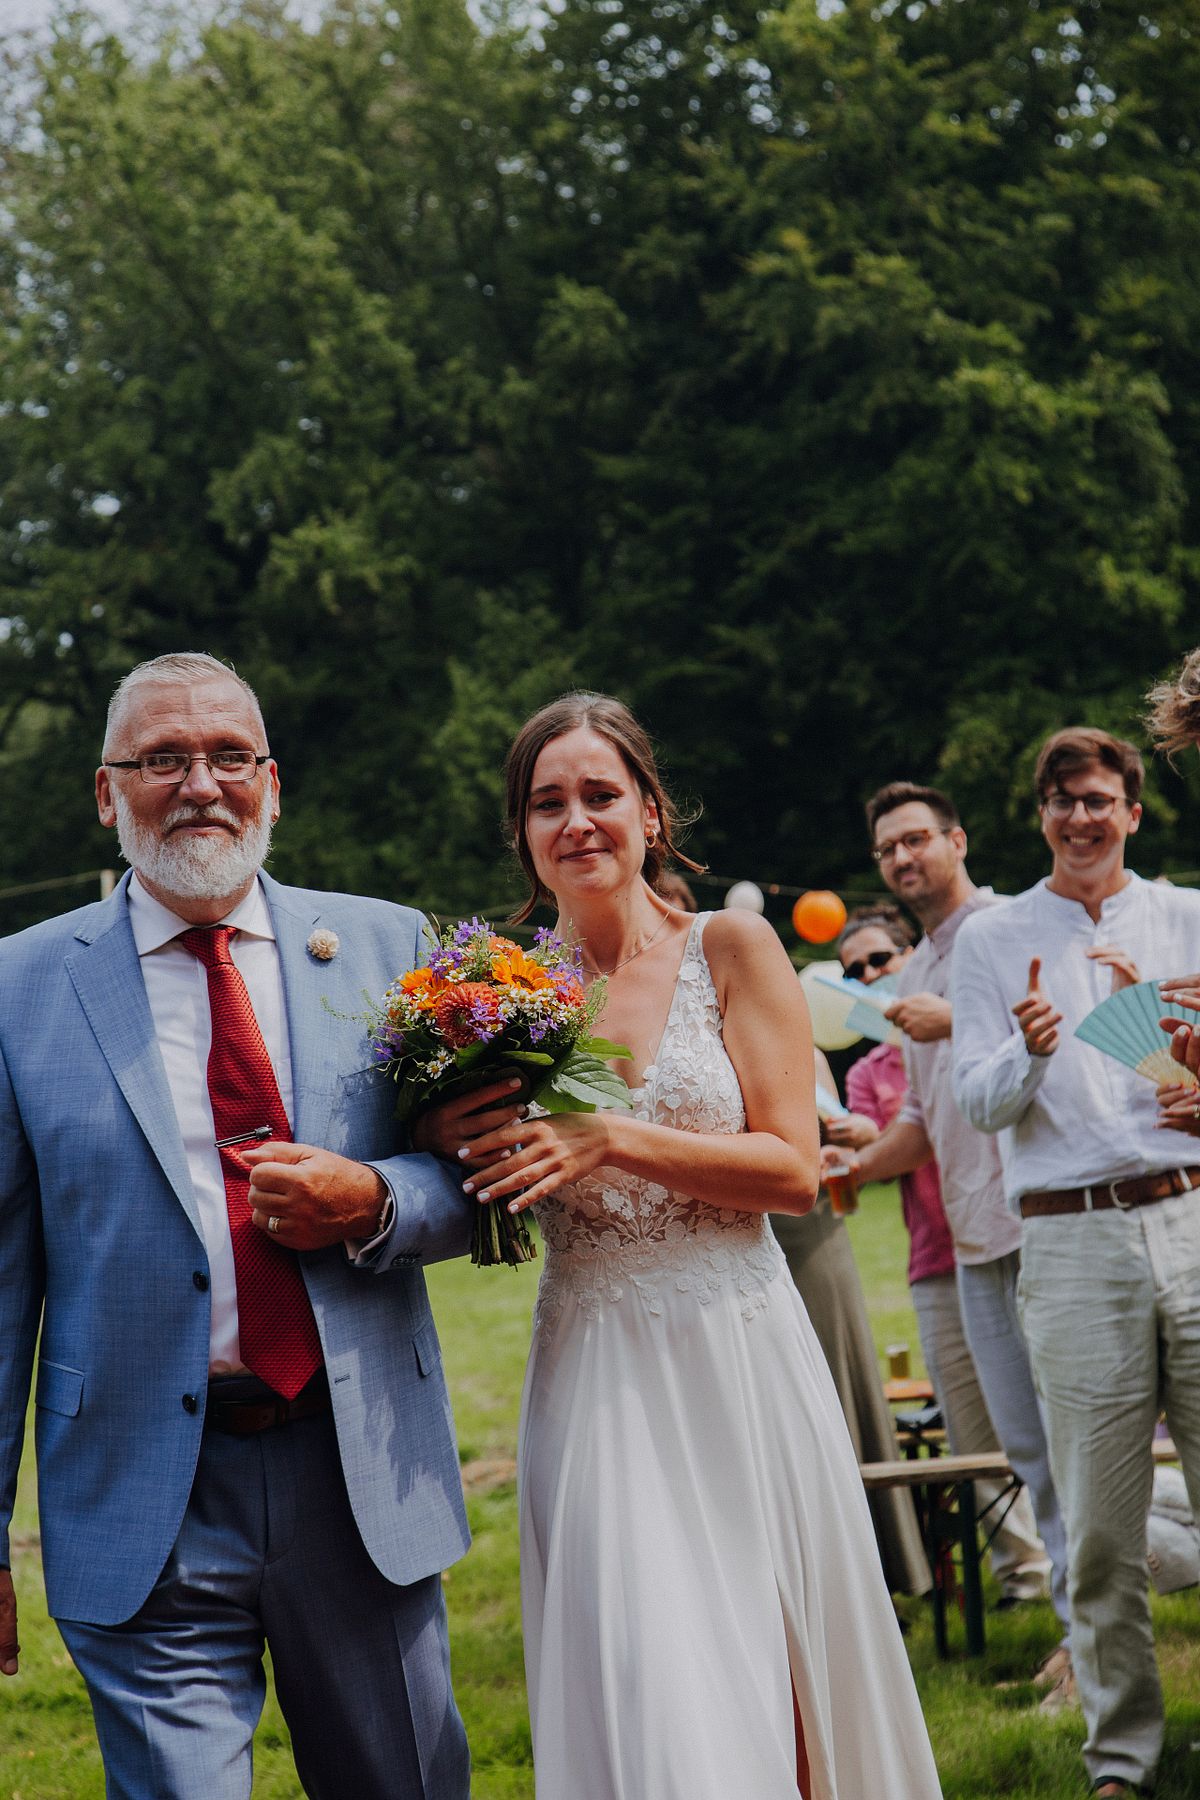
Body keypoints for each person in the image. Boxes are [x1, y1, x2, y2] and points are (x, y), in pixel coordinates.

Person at [425, 692, 943, 1800]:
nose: (576, 822)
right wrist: (447, 1134)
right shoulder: (499, 997)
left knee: (784, 1660)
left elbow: (794, 1170)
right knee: (650, 1666)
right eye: (546, 802)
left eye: (600, 795)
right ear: (521, 832)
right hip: (597, 1358)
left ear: (651, 812)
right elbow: (477, 1171)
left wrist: (611, 1132)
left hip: (739, 1345)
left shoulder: (732, 946)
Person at [0, 653, 473, 1800]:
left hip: (358, 1474)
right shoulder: (18, 989)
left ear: (275, 783)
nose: (199, 783)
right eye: (162, 759)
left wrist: (376, 1200)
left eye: (228, 757)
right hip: (140, 1491)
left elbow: (484, 1181)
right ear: (106, 793)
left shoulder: (392, 948)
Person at [951, 727, 1200, 1800]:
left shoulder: (1189, 915)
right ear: (1040, 816)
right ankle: (1123, 1763)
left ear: (1134, 812)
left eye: (1099, 798)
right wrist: (1033, 1049)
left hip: (1193, 1216)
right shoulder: (993, 939)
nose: (1080, 816)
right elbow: (975, 1100)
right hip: (1068, 1236)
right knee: (1100, 1529)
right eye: (1061, 800)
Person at [822, 784, 1071, 1700]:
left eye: (918, 839)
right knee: (1023, 1454)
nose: (902, 857)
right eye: (888, 847)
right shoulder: (919, 966)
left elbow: (1067, 1039)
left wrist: (957, 1021)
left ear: (958, 841)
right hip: (969, 1240)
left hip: (1044, 1220)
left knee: (1071, 1442)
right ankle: (1069, 1634)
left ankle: (1087, 1655)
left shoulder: (1009, 928)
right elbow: (921, 1124)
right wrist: (832, 1167)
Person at [835, 903, 1052, 1608]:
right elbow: (899, 1138)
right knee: (973, 1430)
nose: (868, 974)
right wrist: (848, 1153)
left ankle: (1106, 1551)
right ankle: (1024, 1579)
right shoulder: (869, 1068)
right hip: (937, 1249)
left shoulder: (963, 1018)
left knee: (1052, 1416)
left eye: (878, 960)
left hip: (1016, 1231)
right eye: (854, 971)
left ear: (909, 962)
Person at [772, 1034, 932, 1601]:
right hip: (721, 1228)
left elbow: (831, 1138)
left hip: (809, 1225)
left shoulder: (806, 1052)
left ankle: (867, 1576)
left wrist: (847, 1139)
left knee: (836, 1384)